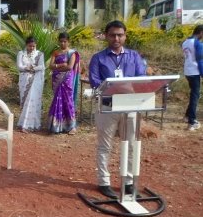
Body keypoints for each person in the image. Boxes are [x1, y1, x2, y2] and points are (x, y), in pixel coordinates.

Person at [89, 20, 146, 199]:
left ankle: (128, 182)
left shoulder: (134, 56)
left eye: (120, 35)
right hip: (108, 106)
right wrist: (118, 88)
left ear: (125, 36)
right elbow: (95, 82)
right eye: (113, 35)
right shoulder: (98, 58)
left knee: (130, 144)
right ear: (106, 36)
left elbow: (141, 78)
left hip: (130, 106)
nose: (116, 38)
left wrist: (126, 88)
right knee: (105, 146)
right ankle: (104, 182)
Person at [48, 32, 80, 135]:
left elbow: (70, 67)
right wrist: (61, 64)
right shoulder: (55, 52)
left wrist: (57, 66)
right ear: (58, 41)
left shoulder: (72, 53)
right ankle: (57, 126)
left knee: (68, 101)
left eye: (65, 41)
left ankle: (71, 126)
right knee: (57, 100)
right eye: (61, 41)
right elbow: (51, 66)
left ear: (68, 41)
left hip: (67, 79)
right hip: (56, 79)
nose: (62, 43)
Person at [16, 36, 45, 133]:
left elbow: (41, 66)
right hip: (23, 80)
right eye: (30, 46)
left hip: (35, 81)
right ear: (26, 45)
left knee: (32, 102)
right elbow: (19, 66)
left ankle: (29, 125)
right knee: (24, 102)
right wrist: (27, 68)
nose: (32, 48)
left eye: (33, 46)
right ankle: (23, 124)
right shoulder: (21, 54)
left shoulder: (40, 54)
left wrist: (33, 68)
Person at [182, 24, 203, 131]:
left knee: (193, 94)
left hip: (187, 71)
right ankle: (192, 122)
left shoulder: (185, 42)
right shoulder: (198, 43)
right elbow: (200, 60)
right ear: (200, 32)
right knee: (195, 96)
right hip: (195, 72)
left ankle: (187, 116)